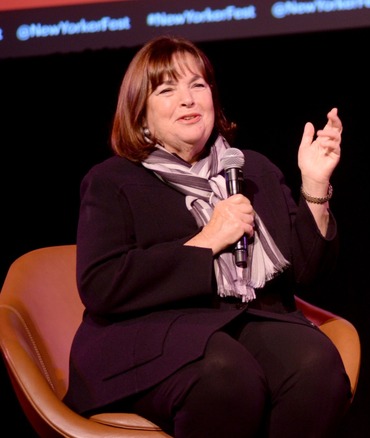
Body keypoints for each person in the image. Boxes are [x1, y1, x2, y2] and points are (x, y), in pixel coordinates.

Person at [62, 35, 351, 437]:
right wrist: (207, 240)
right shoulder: (112, 181)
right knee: (226, 376)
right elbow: (101, 285)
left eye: (198, 85)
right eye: (167, 89)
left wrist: (315, 185)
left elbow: (306, 269)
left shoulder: (253, 170)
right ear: (140, 114)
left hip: (249, 323)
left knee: (316, 365)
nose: (188, 99)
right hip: (148, 335)